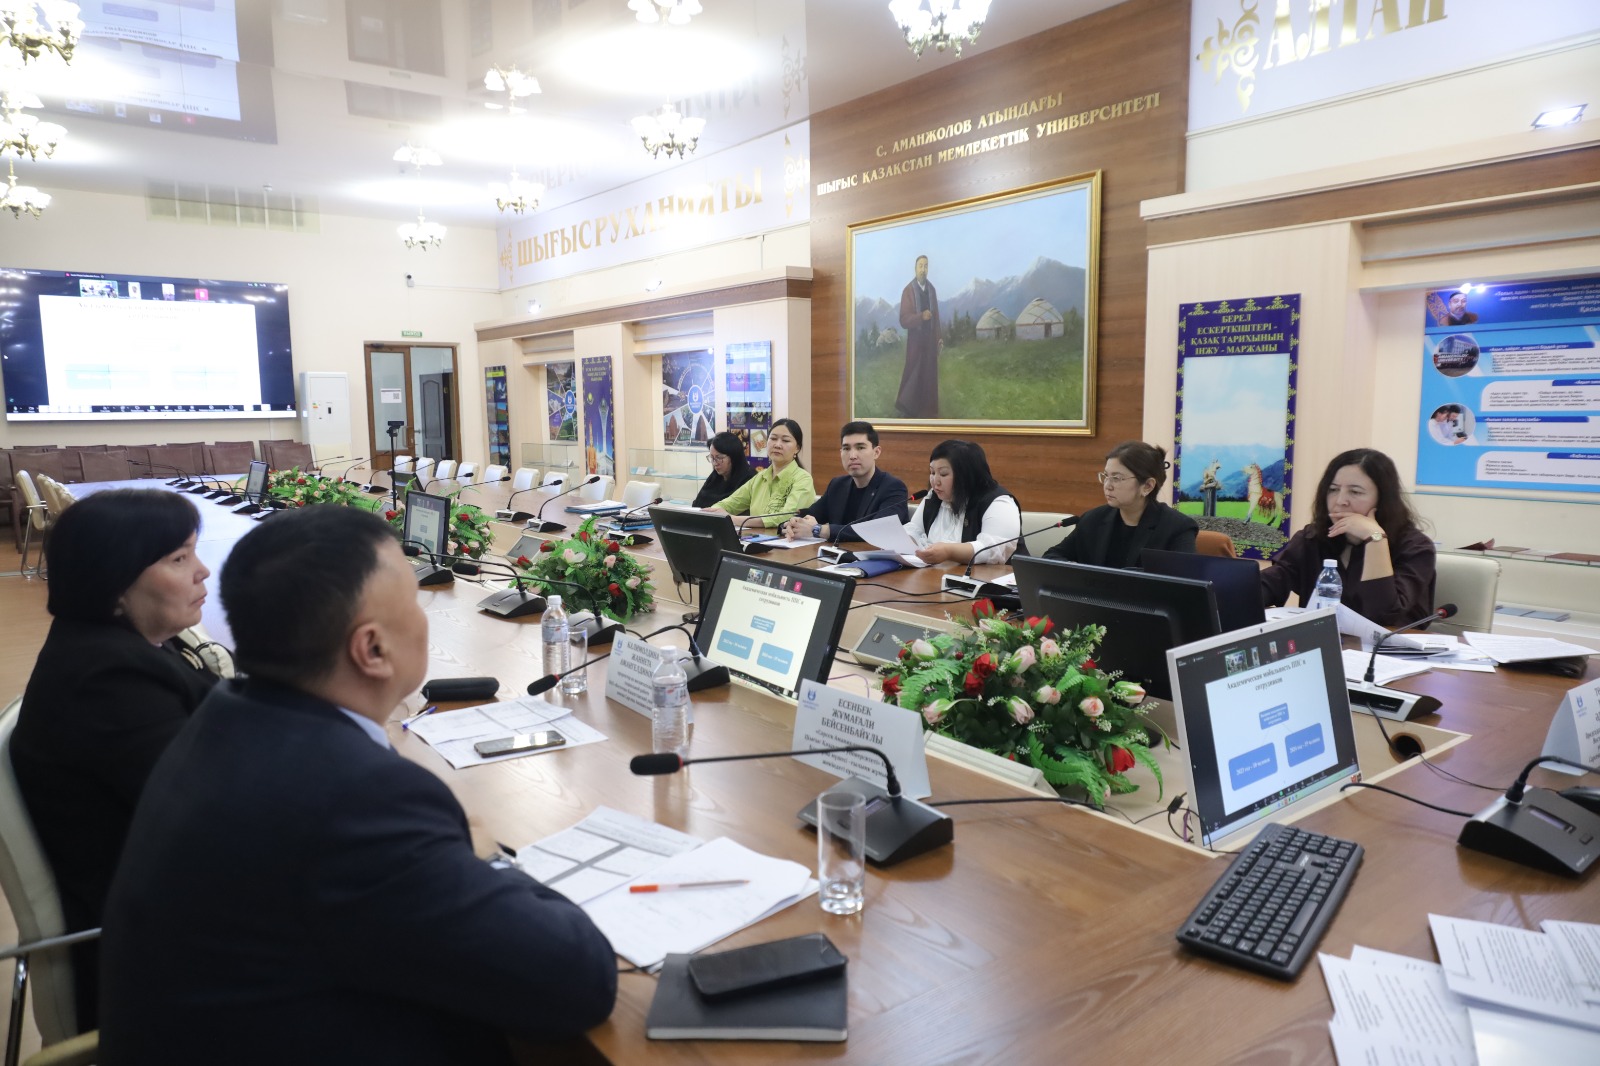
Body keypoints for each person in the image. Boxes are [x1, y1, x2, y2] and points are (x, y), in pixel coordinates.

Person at [99, 506, 617, 1064]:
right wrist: (488, 858)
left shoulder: (226, 720)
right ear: (371, 649)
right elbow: (575, 982)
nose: (423, 618)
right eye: (414, 602)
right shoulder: (352, 802)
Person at [12, 488, 218, 1027]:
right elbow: (218, 816)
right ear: (115, 583)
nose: (203, 572)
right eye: (180, 558)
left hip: (171, 906)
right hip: (165, 958)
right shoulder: (107, 680)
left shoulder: (127, 642)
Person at [1260, 448, 1436, 626]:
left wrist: (1375, 539)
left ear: (1383, 499)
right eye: (1333, 490)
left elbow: (1382, 617)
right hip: (1323, 640)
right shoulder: (1312, 538)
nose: (1340, 501)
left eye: (1355, 492)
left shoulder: (1415, 547)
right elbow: (1271, 584)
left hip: (1392, 643)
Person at [1041, 441, 1197, 568]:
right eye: (1106, 476)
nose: (1107, 485)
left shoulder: (1177, 527)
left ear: (1147, 486)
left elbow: (1183, 581)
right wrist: (1074, 569)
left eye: (1116, 478)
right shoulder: (1093, 519)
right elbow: (1052, 556)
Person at [784, 421, 910, 542]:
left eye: (860, 448)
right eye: (846, 448)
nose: (852, 455)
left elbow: (878, 530)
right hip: (835, 555)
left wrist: (819, 530)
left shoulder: (893, 487)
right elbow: (811, 514)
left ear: (876, 452)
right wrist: (793, 524)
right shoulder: (837, 485)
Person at [905, 439, 1023, 565]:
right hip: (938, 574)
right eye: (932, 472)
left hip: (995, 576)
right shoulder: (934, 496)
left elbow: (993, 550)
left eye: (943, 474)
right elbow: (914, 530)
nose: (935, 481)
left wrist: (949, 551)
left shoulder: (999, 502)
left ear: (966, 475)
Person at [707, 417, 817, 529]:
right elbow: (730, 503)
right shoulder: (760, 477)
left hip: (786, 539)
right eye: (773, 438)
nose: (777, 445)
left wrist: (733, 519)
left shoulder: (803, 479)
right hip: (755, 537)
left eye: (785, 440)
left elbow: (787, 516)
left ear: (797, 448)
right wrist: (713, 511)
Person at [895, 254, 941, 418]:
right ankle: (908, 409)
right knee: (914, 374)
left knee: (929, 375)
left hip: (930, 341)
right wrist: (921, 317)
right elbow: (903, 320)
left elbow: (936, 317)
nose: (923, 269)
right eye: (920, 266)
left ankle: (927, 411)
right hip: (915, 342)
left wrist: (939, 338)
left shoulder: (932, 290)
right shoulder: (908, 291)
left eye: (926, 266)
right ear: (915, 269)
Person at [690, 430, 756, 508]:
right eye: (712, 457)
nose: (714, 463)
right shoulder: (715, 476)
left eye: (719, 458)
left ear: (734, 457)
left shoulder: (750, 480)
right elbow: (697, 503)